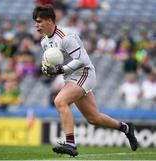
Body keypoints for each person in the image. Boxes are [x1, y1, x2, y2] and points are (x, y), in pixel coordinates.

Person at [32, 5, 138, 157]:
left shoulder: (66, 36)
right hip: (70, 77)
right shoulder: (44, 43)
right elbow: (55, 64)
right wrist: (48, 70)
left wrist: (59, 70)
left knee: (59, 101)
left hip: (84, 73)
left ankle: (70, 143)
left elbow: (81, 60)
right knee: (94, 118)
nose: (36, 25)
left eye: (39, 21)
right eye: (35, 22)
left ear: (49, 20)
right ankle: (126, 128)